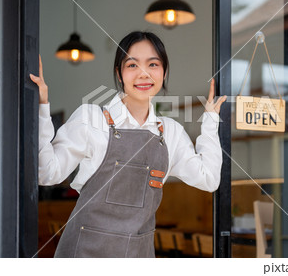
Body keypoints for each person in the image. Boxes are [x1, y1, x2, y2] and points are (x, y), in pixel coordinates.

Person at [30, 31, 227, 258]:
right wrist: (41, 105)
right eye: (132, 65)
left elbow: (209, 179)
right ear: (119, 73)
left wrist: (211, 121)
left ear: (164, 72)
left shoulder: (170, 133)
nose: (144, 74)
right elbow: (47, 173)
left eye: (153, 64)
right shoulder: (91, 119)